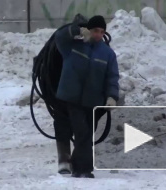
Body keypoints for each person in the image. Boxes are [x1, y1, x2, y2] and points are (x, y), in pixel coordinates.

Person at [53, 15, 119, 178]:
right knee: (82, 131)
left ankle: (77, 167)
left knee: (88, 133)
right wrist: (76, 30)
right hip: (72, 98)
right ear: (89, 30)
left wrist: (112, 96)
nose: (98, 34)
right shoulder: (72, 46)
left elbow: (112, 77)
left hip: (92, 101)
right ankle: (86, 169)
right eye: (95, 30)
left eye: (102, 32)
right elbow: (58, 36)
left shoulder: (108, 54)